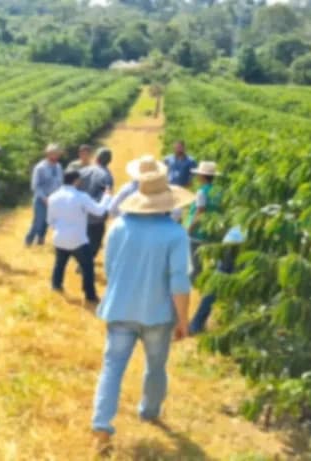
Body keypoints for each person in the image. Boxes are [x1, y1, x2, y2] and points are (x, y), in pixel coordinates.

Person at [90, 171, 195, 455]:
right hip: (158, 315)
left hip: (120, 309)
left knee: (112, 367)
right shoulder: (176, 234)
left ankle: (101, 425)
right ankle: (149, 411)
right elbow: (179, 282)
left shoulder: (119, 227)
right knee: (156, 366)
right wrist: (183, 320)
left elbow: (110, 269)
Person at [47, 171, 110, 308]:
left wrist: (60, 228)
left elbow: (50, 221)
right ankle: (90, 295)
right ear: (76, 181)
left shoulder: (53, 197)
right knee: (87, 267)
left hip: (59, 237)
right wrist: (107, 196)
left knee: (60, 264)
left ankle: (55, 285)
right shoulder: (81, 197)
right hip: (78, 239)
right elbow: (99, 211)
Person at [190, 226, 244, 334]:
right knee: (241, 285)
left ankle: (196, 325)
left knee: (216, 285)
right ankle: (238, 327)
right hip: (241, 245)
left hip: (230, 242)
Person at [185, 161, 222, 283]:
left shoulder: (201, 192)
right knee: (212, 262)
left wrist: (189, 228)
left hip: (198, 233)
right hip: (213, 232)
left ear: (202, 176)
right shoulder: (219, 191)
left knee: (197, 266)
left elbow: (200, 211)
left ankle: (195, 287)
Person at [78, 148, 115, 263]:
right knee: (95, 241)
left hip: (81, 212)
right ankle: (85, 262)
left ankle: (82, 260)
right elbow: (106, 196)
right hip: (96, 216)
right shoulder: (107, 176)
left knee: (83, 239)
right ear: (109, 161)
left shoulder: (84, 171)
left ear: (97, 158)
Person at [25, 143, 63, 247]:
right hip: (41, 200)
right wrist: (44, 198)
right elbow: (35, 186)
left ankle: (40, 241)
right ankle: (29, 241)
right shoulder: (40, 167)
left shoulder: (59, 166)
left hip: (54, 200)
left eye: (58, 154)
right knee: (38, 221)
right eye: (55, 154)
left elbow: (60, 183)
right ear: (48, 154)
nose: (57, 156)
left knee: (47, 222)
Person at [109, 155, 167, 219]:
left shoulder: (128, 188)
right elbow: (176, 210)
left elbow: (112, 208)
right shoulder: (162, 188)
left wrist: (126, 221)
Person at [164, 141, 198, 222]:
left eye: (179, 147)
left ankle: (177, 221)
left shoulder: (190, 161)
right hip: (169, 187)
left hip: (182, 187)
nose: (177, 149)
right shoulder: (168, 159)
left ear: (184, 148)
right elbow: (163, 169)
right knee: (168, 206)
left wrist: (190, 181)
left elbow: (194, 173)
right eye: (176, 148)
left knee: (178, 207)